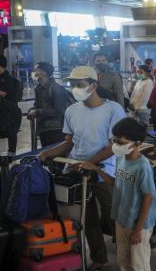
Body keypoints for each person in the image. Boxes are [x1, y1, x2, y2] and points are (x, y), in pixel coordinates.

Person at [38, 66, 126, 270]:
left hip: (105, 171)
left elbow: (113, 146)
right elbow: (69, 142)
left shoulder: (113, 110)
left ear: (93, 85)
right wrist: (47, 153)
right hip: (76, 170)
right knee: (87, 218)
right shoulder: (71, 110)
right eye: (72, 84)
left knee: (115, 217)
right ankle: (100, 258)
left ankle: (128, 259)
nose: (74, 88)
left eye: (80, 85)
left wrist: (91, 163)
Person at [80, 117, 156, 271]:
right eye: (115, 140)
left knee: (138, 264)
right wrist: (97, 169)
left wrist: (138, 230)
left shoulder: (143, 167)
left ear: (137, 144)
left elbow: (148, 198)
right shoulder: (121, 159)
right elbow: (116, 183)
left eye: (121, 142)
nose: (116, 145)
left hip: (137, 224)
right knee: (123, 260)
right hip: (121, 219)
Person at [28, 62, 70, 147]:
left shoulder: (57, 89)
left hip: (56, 130)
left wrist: (38, 112)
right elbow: (38, 106)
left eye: (36, 70)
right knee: (46, 156)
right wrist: (32, 110)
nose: (33, 72)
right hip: (43, 129)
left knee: (56, 157)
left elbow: (59, 111)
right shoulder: (38, 88)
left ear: (44, 72)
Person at [0, 55, 20, 157]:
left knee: (11, 132)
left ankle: (11, 155)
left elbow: (3, 94)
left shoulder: (9, 78)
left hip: (8, 112)